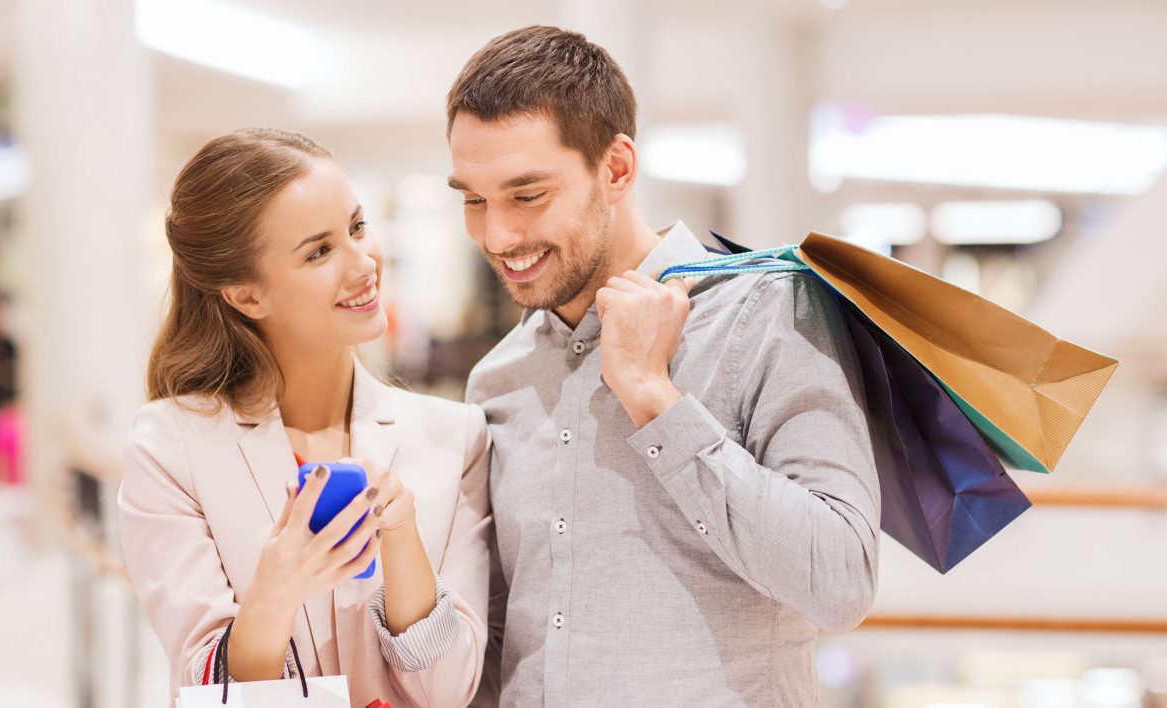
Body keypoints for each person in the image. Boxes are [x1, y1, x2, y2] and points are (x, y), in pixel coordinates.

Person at [448, 26, 881, 707]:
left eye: (526, 196)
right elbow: (501, 635)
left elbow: (841, 582)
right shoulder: (497, 379)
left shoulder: (770, 313)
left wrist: (653, 396)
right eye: (473, 199)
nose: (496, 235)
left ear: (616, 169)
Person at [118, 128, 491, 708]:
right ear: (246, 295)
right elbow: (204, 689)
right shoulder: (171, 449)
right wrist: (276, 590)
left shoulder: (454, 438)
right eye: (319, 251)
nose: (363, 262)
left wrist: (402, 543)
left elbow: (450, 692)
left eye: (358, 228)